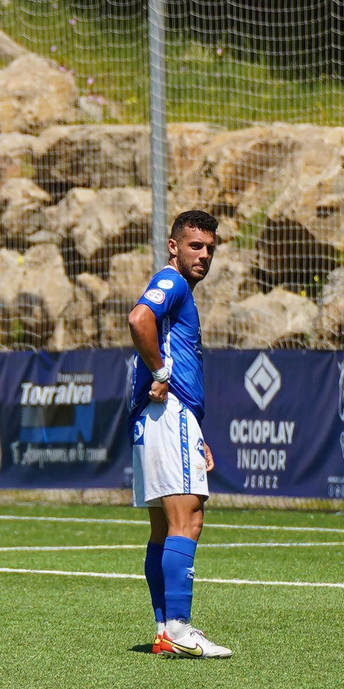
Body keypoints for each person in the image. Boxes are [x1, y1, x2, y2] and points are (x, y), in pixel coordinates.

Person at [127, 209, 231, 659]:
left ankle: (164, 629)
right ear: (174, 246)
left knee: (162, 529)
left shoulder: (178, 288)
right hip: (169, 414)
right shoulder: (171, 283)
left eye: (210, 248)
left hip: (159, 418)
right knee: (188, 521)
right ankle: (177, 627)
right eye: (195, 246)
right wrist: (162, 370)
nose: (204, 255)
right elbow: (138, 319)